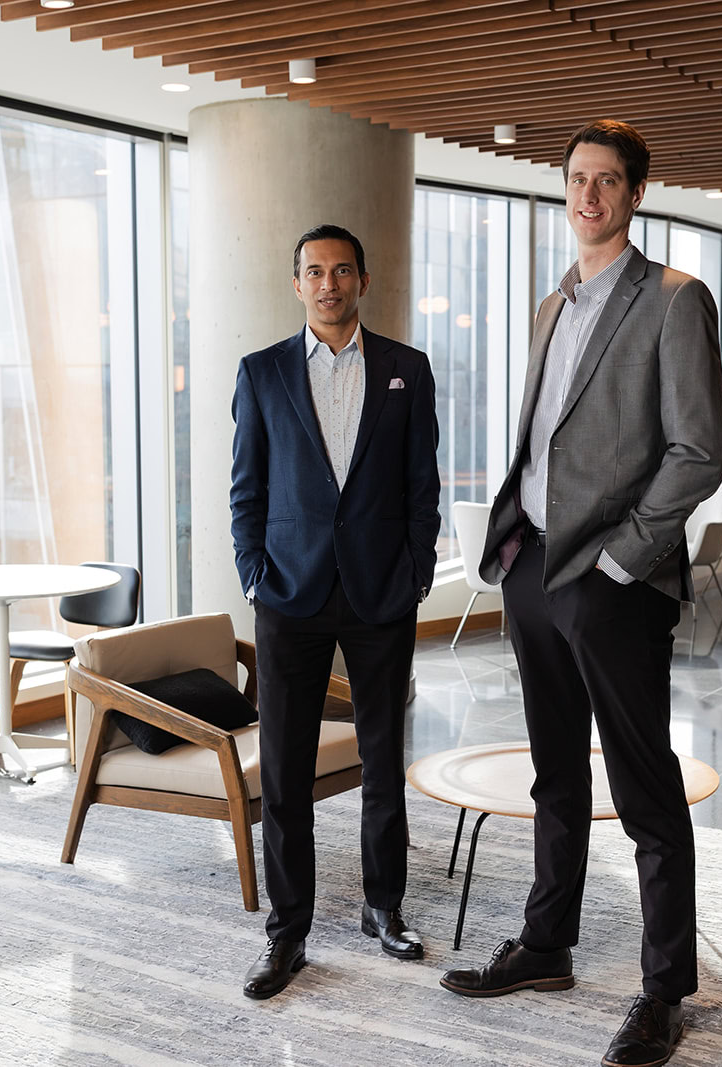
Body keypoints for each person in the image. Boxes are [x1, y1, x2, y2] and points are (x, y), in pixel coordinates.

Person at [439, 121, 722, 1067]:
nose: (589, 195)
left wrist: (619, 560)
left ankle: (663, 991)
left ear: (636, 193)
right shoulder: (547, 305)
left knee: (644, 788)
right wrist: (519, 546)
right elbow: (545, 439)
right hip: (532, 565)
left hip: (614, 578)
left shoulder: (676, 300)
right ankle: (546, 946)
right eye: (577, 179)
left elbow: (698, 453)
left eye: (608, 181)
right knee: (554, 770)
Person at [229, 223, 441, 1000]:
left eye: (341, 270)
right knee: (284, 769)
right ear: (297, 284)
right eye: (314, 271)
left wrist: (417, 571)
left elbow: (425, 485)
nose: (328, 284)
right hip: (289, 594)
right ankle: (287, 931)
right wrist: (254, 573)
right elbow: (246, 488)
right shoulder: (261, 373)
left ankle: (383, 907)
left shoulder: (406, 370)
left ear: (362, 280)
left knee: (383, 761)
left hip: (382, 592)